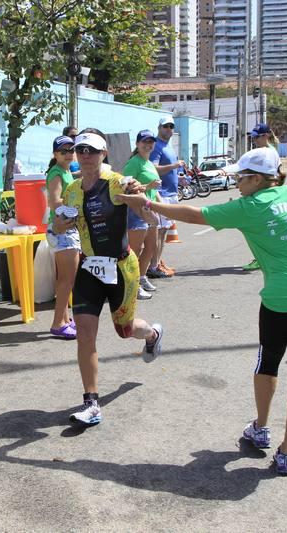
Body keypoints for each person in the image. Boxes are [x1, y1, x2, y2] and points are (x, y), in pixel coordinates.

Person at [117, 147, 287, 476]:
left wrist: (146, 204)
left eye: (240, 178)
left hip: (282, 302)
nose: (236, 183)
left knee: (268, 363)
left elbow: (194, 215)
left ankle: (261, 427)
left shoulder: (249, 207)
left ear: (257, 179)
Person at [53, 131, 163, 426]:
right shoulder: (72, 189)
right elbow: (59, 226)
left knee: (125, 330)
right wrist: (60, 223)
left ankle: (152, 334)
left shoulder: (118, 183)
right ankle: (91, 403)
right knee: (85, 333)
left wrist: (140, 200)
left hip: (121, 268)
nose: (85, 155)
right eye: (80, 150)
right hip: (89, 268)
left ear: (103, 154)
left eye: (91, 150)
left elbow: (150, 218)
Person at [45, 135, 80, 339]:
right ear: (55, 154)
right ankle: (58, 323)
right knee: (67, 279)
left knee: (64, 279)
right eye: (63, 151)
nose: (68, 154)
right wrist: (77, 205)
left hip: (66, 228)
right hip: (63, 228)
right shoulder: (57, 173)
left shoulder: (66, 171)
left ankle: (65, 319)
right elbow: (54, 201)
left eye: (71, 150)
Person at [123, 130, 162, 300]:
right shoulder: (134, 162)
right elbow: (125, 188)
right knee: (135, 250)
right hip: (136, 210)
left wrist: (162, 207)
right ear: (137, 144)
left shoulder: (149, 163)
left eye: (151, 142)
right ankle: (132, 285)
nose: (148, 145)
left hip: (150, 209)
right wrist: (148, 186)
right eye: (144, 142)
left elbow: (155, 189)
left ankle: (141, 277)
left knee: (151, 247)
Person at [148, 116, 184, 279]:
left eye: (171, 126)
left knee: (163, 232)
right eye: (165, 126)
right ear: (159, 127)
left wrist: (180, 178)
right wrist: (174, 166)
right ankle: (153, 266)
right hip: (161, 194)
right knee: (159, 232)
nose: (169, 129)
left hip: (171, 194)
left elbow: (169, 171)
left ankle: (157, 262)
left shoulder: (167, 146)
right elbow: (153, 169)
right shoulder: (156, 146)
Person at [242, 123, 281, 271]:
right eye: (252, 137)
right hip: (260, 195)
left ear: (266, 136)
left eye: (256, 137)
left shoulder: (269, 152)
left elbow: (276, 175)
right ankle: (265, 257)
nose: (254, 140)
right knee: (260, 229)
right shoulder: (264, 151)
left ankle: (260, 258)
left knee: (254, 229)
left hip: (264, 197)